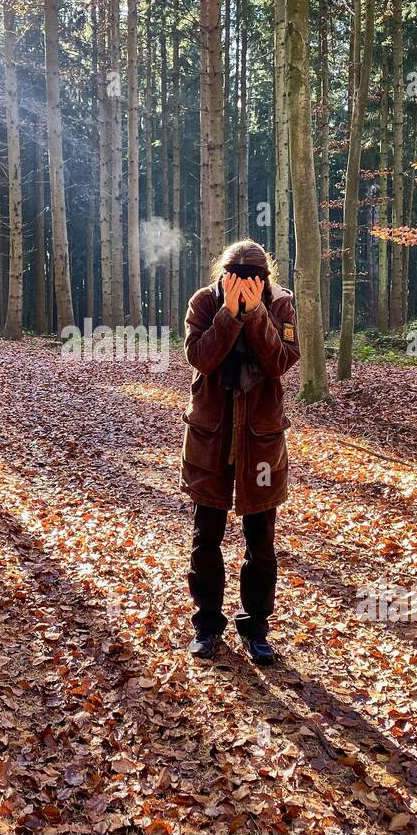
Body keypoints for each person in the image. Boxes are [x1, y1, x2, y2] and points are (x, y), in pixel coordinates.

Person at [180, 240, 300, 665]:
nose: (246, 284)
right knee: (205, 537)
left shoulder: (282, 304)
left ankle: (256, 628)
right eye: (237, 276)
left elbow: (281, 361)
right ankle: (207, 625)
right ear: (222, 275)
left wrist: (257, 315)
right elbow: (201, 358)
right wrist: (230, 316)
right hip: (211, 439)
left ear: (267, 277)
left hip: (260, 440)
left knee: (261, 542)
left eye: (255, 277)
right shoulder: (203, 304)